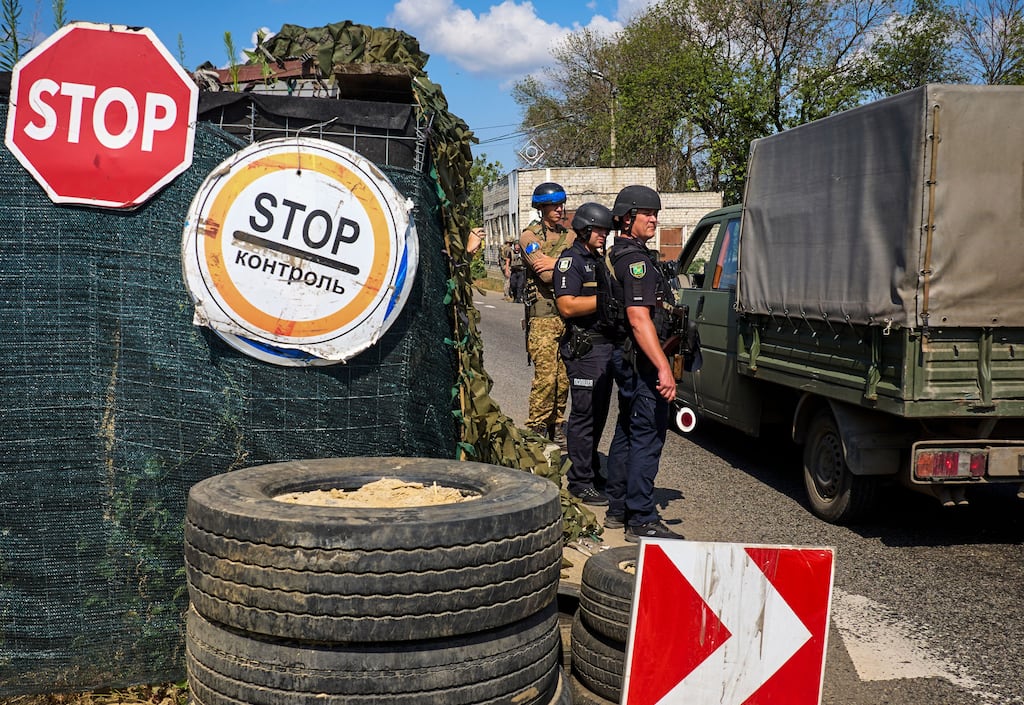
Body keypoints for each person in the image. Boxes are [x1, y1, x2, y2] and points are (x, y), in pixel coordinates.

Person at [604, 185, 685, 542]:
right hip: (642, 361)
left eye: (655, 213)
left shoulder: (620, 253)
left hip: (626, 357)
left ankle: (618, 507)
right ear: (626, 218)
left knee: (626, 431)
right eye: (646, 213)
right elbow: (639, 318)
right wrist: (664, 368)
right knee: (647, 437)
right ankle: (641, 518)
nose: (654, 219)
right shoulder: (634, 262)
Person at [554, 203, 618, 506]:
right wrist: (604, 301)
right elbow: (566, 306)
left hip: (604, 348)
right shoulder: (572, 261)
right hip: (585, 349)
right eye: (600, 230)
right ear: (584, 230)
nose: (604, 235)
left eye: (606, 230)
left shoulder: (598, 260)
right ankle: (579, 482)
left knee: (600, 415)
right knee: (584, 416)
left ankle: (590, 470)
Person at [520, 181, 571, 445]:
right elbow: (547, 275)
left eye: (561, 204)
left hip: (568, 315)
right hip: (543, 318)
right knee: (546, 377)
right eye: (554, 205)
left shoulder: (571, 235)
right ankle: (537, 427)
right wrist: (569, 266)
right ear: (541, 207)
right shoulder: (529, 237)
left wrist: (558, 263)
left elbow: (589, 267)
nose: (560, 209)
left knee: (563, 378)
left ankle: (558, 424)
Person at [500, 235, 515, 301]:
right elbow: (509, 258)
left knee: (506, 280)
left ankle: (507, 294)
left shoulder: (502, 248)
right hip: (507, 266)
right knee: (508, 280)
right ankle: (507, 295)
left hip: (502, 265)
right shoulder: (508, 249)